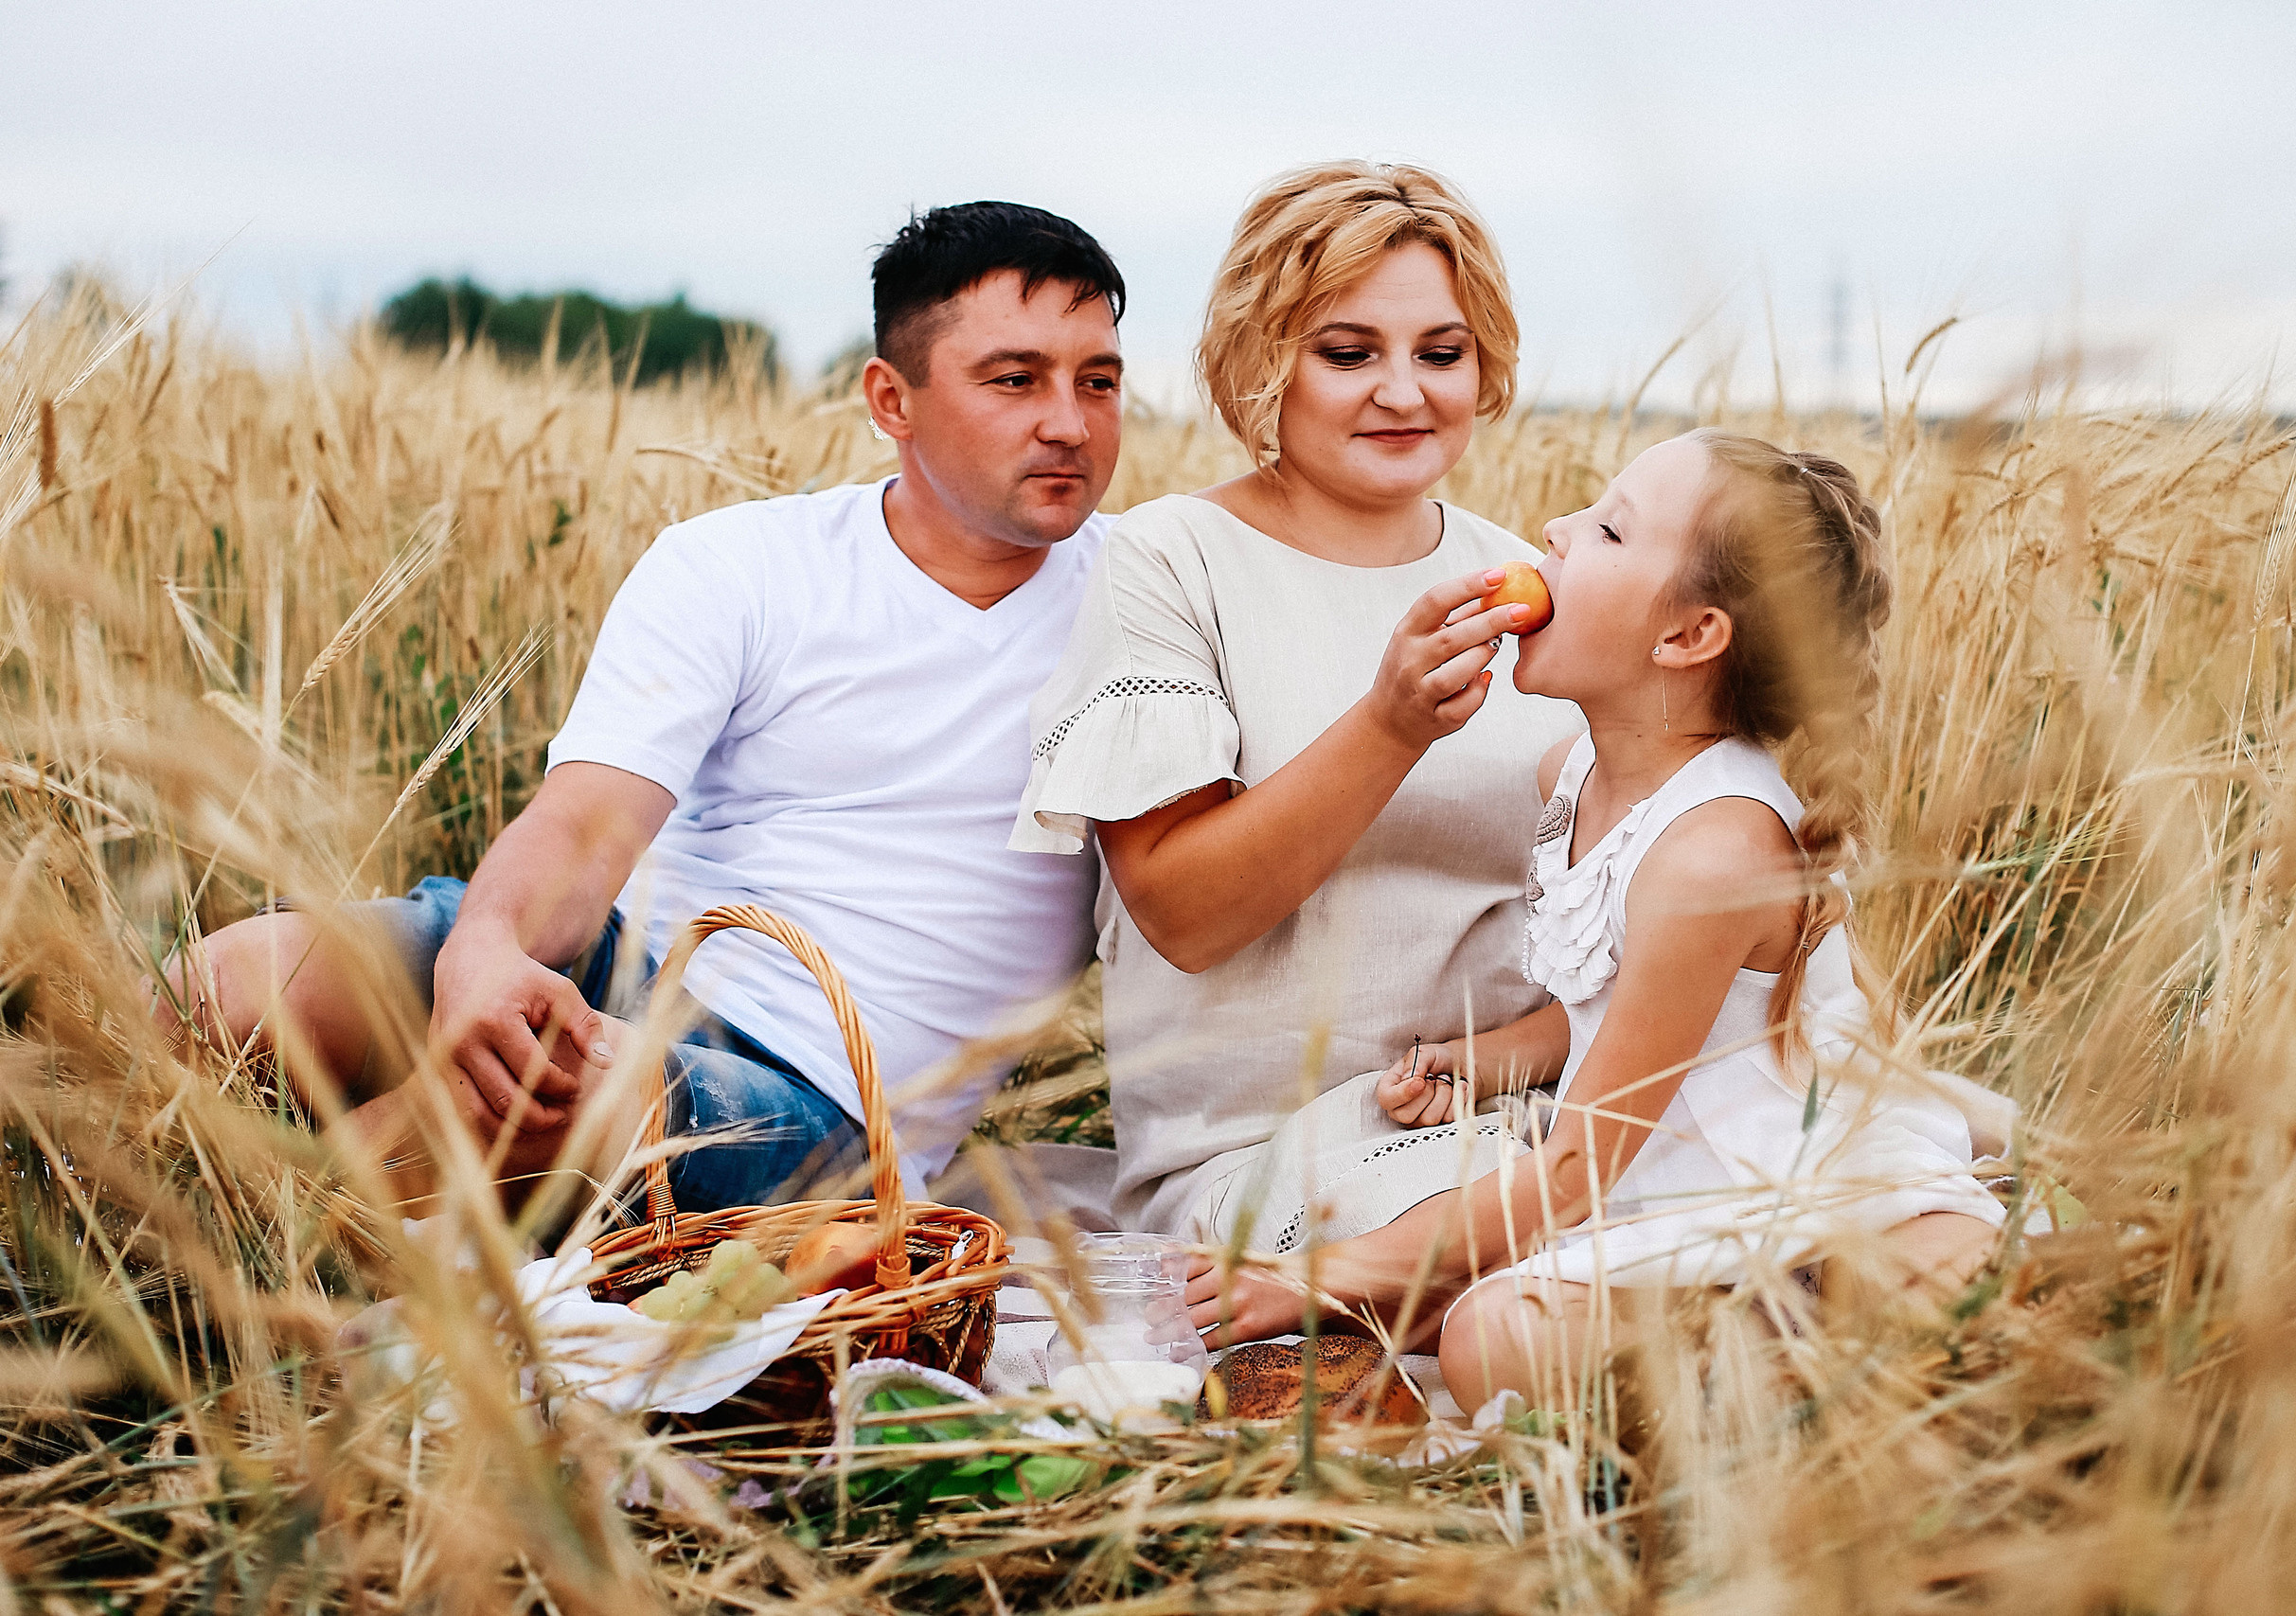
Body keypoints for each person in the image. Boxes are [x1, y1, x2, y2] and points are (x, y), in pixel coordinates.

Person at [158, 201, 1129, 1213]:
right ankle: (148, 1213)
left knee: (520, 1102)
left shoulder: (1154, 611)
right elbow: (585, 824)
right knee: (224, 992)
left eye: (1098, 382)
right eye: (1015, 380)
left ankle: (218, 1254)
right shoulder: (743, 563)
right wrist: (485, 955)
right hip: (620, 960)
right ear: (893, 399)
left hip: (823, 1100)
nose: (1068, 422)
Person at [1179, 428, 2012, 1409]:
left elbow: (1574, 1171)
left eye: (1609, 530)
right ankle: (1784, 1348)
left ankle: (1844, 1326)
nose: (1555, 530)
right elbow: (1626, 1010)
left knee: (1486, 1338)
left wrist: (1318, 1275)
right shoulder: (1571, 779)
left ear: (1687, 637)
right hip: (1678, 1187)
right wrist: (1484, 1060)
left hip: (1803, 1187)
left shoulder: (1713, 852)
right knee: (1486, 1325)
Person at [1011, 162, 1581, 1239]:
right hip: (1262, 1162)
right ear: (1264, 359)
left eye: (1442, 354)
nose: (1405, 393)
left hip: (1527, 1120)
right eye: (1348, 353)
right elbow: (1185, 916)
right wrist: (1388, 727)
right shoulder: (1172, 561)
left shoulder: (1528, 582)